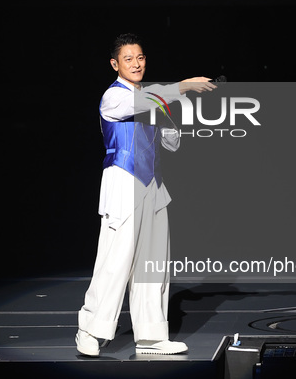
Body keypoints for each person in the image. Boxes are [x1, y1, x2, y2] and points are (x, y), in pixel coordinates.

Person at [76, 33, 216, 356]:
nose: (136, 64)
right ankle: (89, 330)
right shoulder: (113, 97)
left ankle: (152, 335)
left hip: (153, 186)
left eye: (140, 58)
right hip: (123, 184)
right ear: (115, 64)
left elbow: (171, 143)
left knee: (153, 265)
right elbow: (140, 103)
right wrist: (181, 88)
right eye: (128, 59)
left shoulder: (151, 97)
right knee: (114, 261)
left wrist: (168, 122)